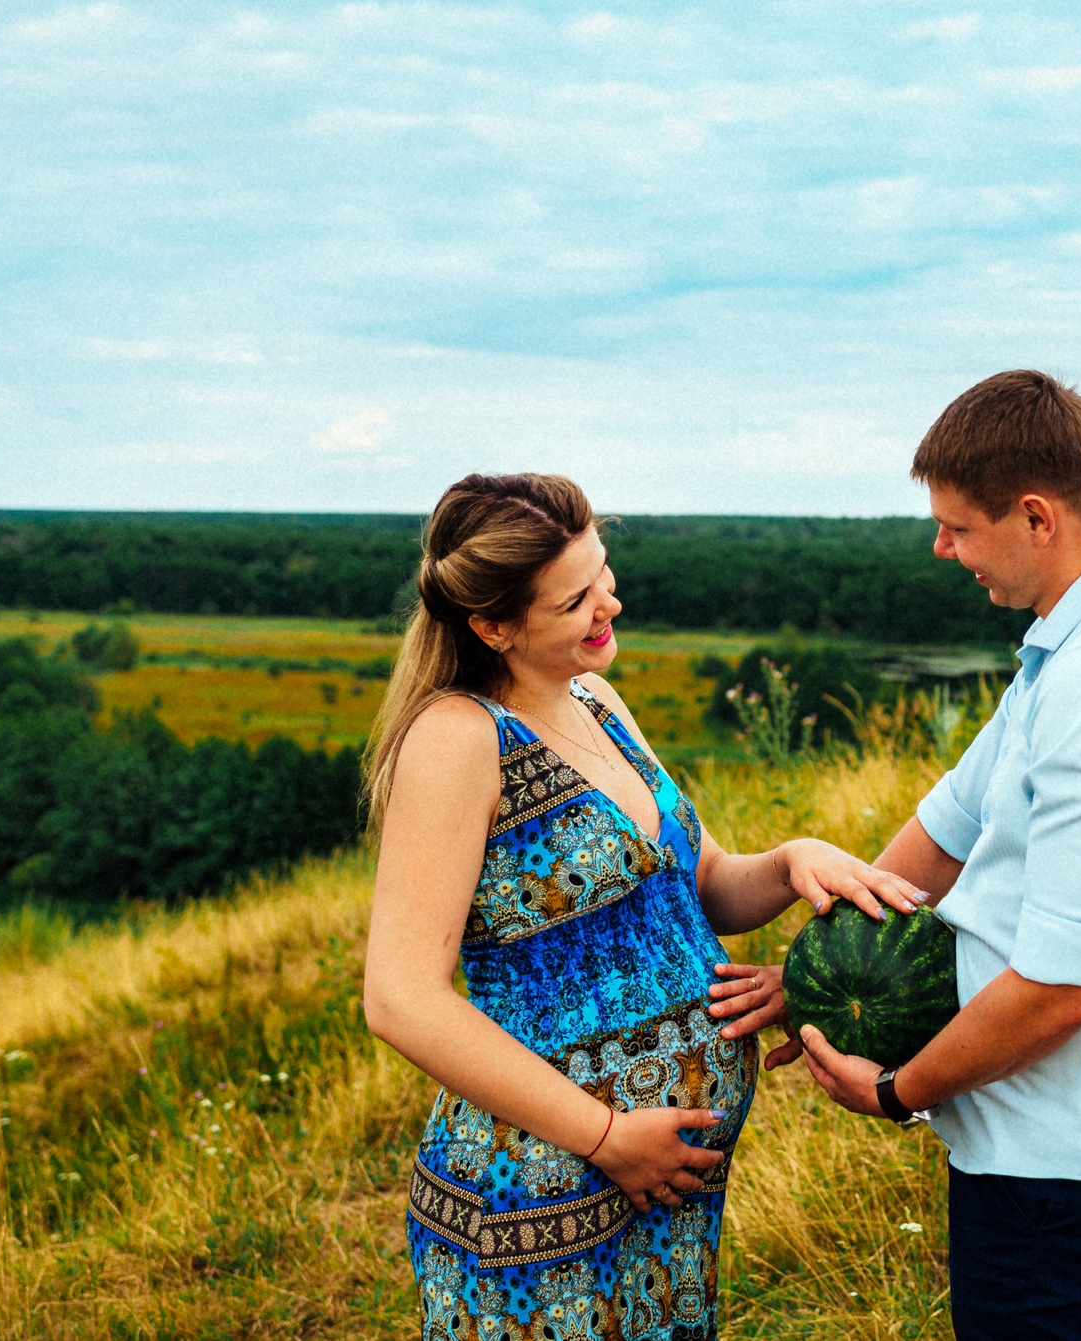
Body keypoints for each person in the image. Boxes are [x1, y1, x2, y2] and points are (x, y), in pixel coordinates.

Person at [361, 472, 925, 1341]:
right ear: (493, 625)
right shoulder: (458, 737)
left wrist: (789, 861)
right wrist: (606, 1134)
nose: (609, 604)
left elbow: (697, 891)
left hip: (659, 1186)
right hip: (540, 1194)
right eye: (576, 599)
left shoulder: (595, 701)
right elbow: (401, 998)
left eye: (605, 573)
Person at [769, 370, 1081, 1341]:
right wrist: (814, 971)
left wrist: (897, 1092)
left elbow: (1065, 985)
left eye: (956, 526)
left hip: (1064, 1165)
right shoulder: (1076, 647)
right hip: (1041, 1150)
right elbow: (947, 828)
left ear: (1034, 515)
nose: (940, 548)